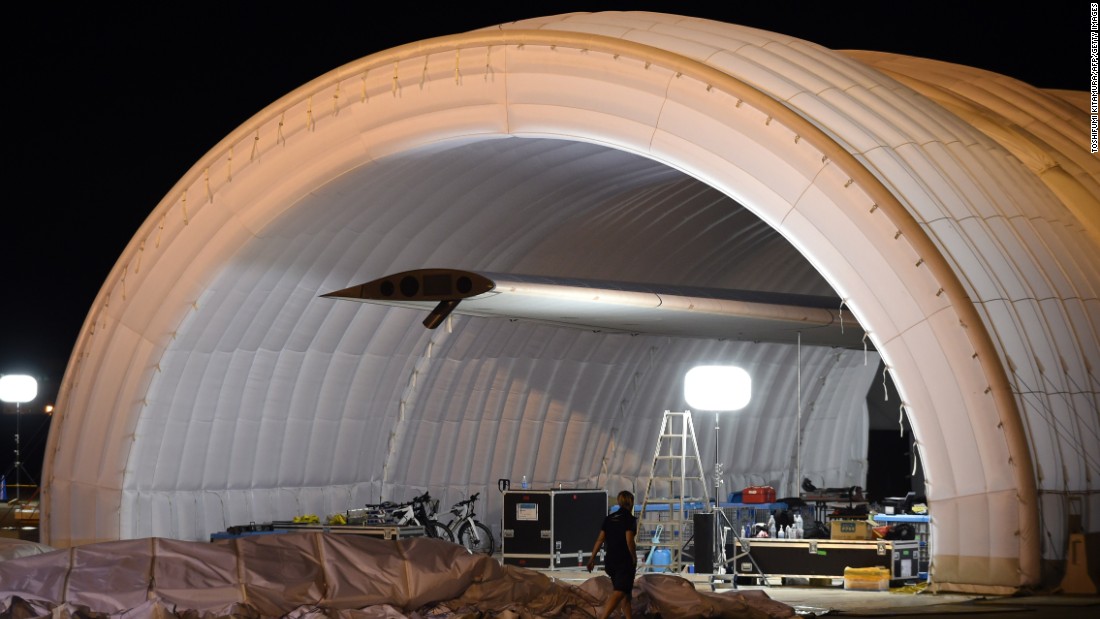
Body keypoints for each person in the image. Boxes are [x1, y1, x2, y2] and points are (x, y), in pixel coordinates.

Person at [587, 490, 637, 619]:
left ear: (620, 502)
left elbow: (600, 539)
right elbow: (629, 540)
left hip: (610, 561)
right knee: (620, 591)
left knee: (625, 593)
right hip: (623, 561)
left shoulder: (609, 519)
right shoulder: (630, 519)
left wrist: (592, 558)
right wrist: (634, 557)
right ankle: (604, 617)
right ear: (631, 502)